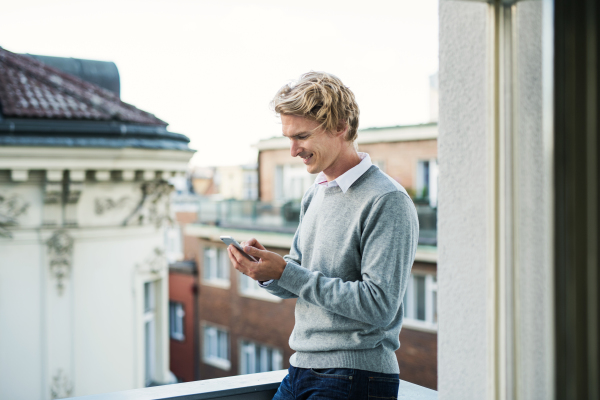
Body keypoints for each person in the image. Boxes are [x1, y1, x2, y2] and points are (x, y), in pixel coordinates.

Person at [227, 71, 419, 400]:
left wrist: (287, 272)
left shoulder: (387, 200)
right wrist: (268, 273)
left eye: (301, 136)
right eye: (288, 137)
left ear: (340, 126)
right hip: (301, 367)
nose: (292, 150)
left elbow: (378, 305)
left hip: (356, 375)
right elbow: (302, 277)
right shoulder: (315, 194)